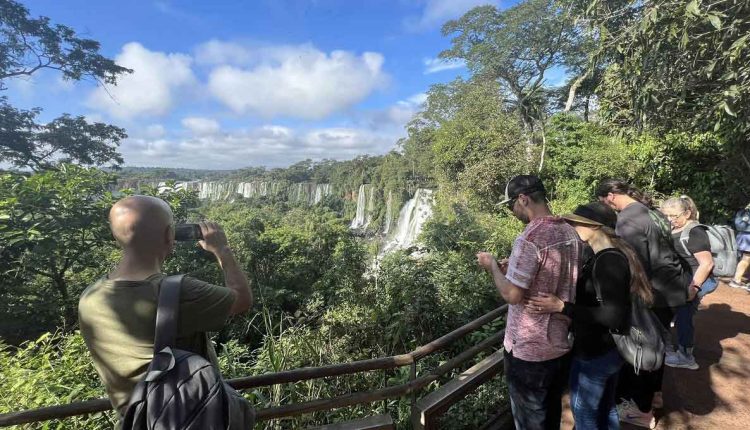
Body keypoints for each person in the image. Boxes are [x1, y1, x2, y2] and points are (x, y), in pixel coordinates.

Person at [78, 195, 253, 423]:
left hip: (134, 421)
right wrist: (222, 250)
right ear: (170, 235)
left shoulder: (90, 297)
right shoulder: (178, 292)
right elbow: (242, 299)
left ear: (115, 235)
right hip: (186, 417)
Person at [527, 202, 653, 430]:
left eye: (575, 222)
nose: (571, 225)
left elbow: (612, 316)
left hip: (596, 353)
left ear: (593, 226)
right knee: (606, 408)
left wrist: (561, 307)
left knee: (585, 416)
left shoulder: (609, 261)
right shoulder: (603, 255)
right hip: (608, 351)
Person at [477, 175, 582, 430]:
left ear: (523, 199)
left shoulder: (530, 238)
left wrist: (492, 266)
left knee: (530, 422)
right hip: (559, 343)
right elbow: (546, 275)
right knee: (551, 415)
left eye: (510, 205)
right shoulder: (569, 231)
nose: (511, 211)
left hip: (528, 351)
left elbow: (512, 295)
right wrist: (510, 268)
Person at [596, 180, 691, 429]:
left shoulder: (628, 221)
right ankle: (654, 396)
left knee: (642, 349)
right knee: (657, 344)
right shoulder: (652, 211)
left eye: (602, 201)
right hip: (670, 289)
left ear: (610, 197)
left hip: (653, 293)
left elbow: (634, 265)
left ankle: (641, 409)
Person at [660, 196, 716, 370]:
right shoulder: (675, 227)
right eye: (667, 216)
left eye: (674, 216)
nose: (670, 220)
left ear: (687, 213)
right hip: (681, 280)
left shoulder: (695, 232)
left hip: (696, 280)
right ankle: (668, 346)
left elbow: (707, 264)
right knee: (671, 312)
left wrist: (694, 287)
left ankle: (686, 357)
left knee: (684, 315)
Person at [730, 205, 750, 290]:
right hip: (748, 236)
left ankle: (738, 280)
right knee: (746, 259)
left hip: (743, 235)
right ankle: (736, 280)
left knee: (746, 259)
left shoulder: (745, 210)